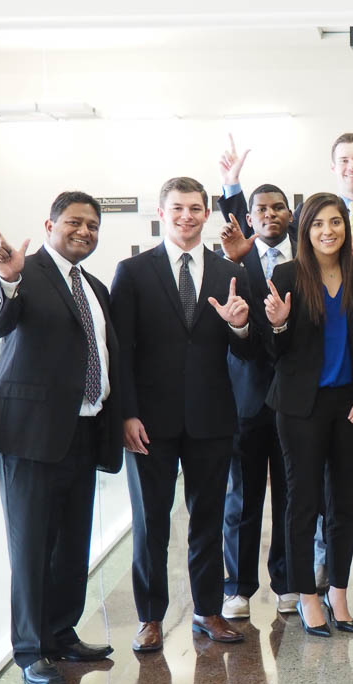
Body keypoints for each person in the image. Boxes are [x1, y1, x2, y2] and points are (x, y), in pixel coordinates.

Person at [0, 191, 123, 684]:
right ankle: (29, 652)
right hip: (30, 436)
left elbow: (105, 357)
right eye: (75, 223)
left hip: (84, 429)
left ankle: (61, 632)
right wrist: (7, 279)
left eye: (93, 226)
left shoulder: (96, 287)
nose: (85, 232)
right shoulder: (26, 273)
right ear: (50, 224)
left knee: (71, 544)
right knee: (32, 546)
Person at [111, 177, 254, 652]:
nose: (187, 216)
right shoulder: (132, 272)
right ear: (161, 210)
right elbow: (120, 352)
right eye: (178, 208)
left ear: (207, 213)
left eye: (196, 208)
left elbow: (249, 347)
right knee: (151, 521)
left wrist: (240, 327)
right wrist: (126, 414)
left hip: (211, 416)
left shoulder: (225, 270)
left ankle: (208, 610)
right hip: (149, 421)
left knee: (208, 518)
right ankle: (150, 617)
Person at [262, 192, 353, 637]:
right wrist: (277, 323)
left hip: (350, 403)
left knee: (344, 504)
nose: (328, 231)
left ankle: (339, 592)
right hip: (300, 407)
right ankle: (307, 596)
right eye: (318, 224)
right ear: (305, 229)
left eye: (335, 223)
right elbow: (273, 352)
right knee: (303, 502)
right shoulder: (287, 274)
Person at [216, 136, 299, 618]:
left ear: (290, 215)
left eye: (278, 208)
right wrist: (231, 184)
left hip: (292, 399)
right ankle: (238, 587)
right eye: (260, 208)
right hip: (246, 398)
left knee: (291, 494)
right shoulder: (238, 257)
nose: (269, 214)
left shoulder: (302, 258)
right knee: (242, 496)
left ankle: (287, 580)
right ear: (250, 217)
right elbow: (233, 218)